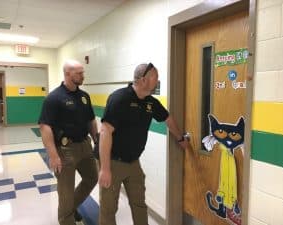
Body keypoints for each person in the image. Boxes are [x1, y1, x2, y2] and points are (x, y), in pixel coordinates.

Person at [96, 63, 190, 225]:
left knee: (139, 204)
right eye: (155, 77)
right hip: (112, 161)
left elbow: (167, 119)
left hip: (133, 162)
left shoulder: (150, 102)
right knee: (109, 208)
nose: (158, 81)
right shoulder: (119, 98)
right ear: (143, 80)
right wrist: (105, 169)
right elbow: (105, 132)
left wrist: (180, 138)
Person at [39, 59, 98, 225]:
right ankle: (66, 220)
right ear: (67, 74)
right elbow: (45, 127)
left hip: (85, 146)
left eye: (83, 72)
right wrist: (53, 155)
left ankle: (71, 208)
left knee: (92, 178)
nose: (83, 76)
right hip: (65, 150)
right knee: (66, 191)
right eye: (79, 73)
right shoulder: (54, 98)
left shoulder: (84, 96)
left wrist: (96, 140)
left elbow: (91, 120)